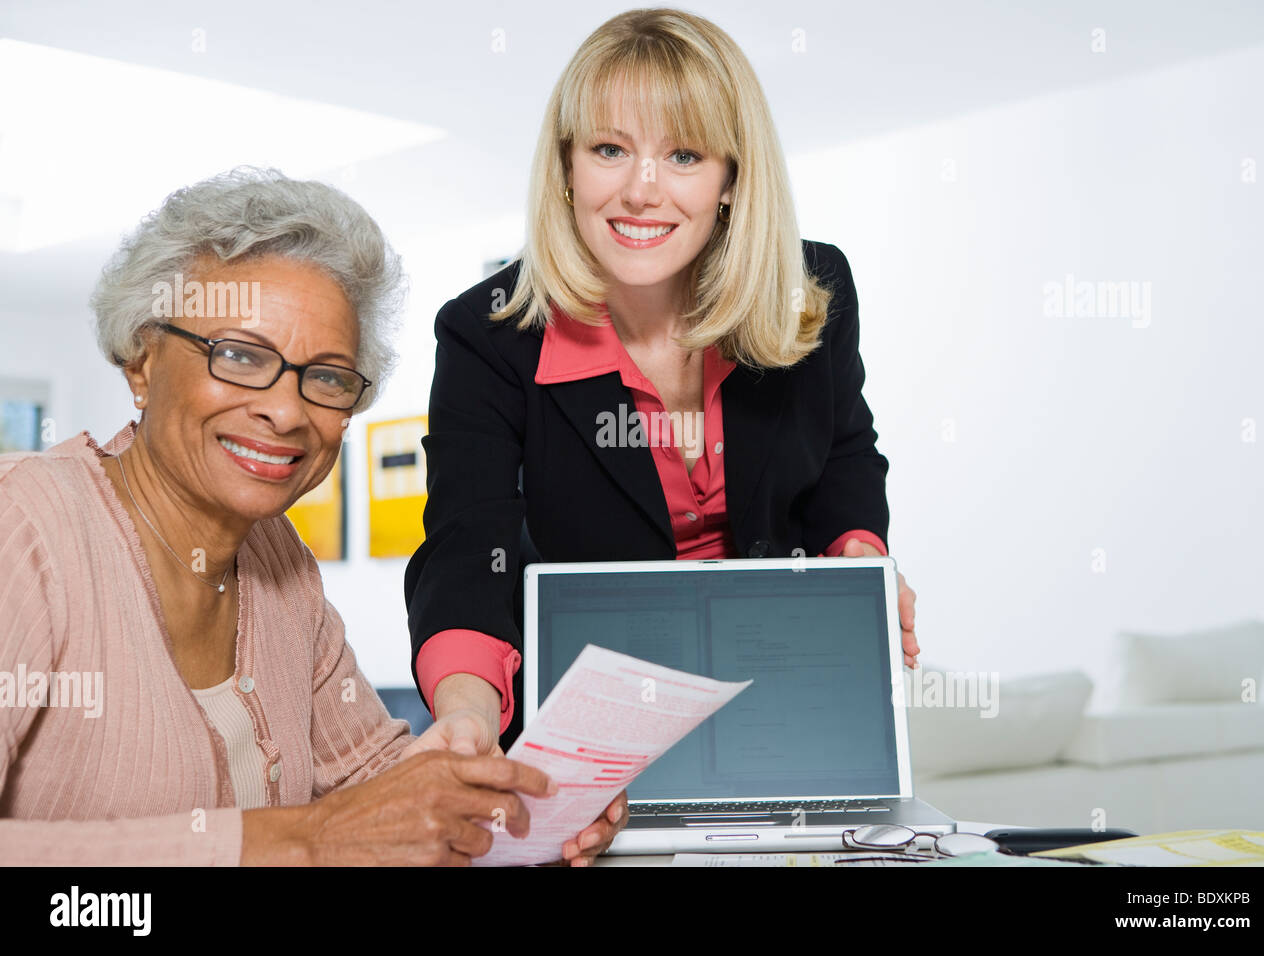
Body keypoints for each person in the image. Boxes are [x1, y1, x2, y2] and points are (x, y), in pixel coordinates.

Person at [404, 8, 920, 864]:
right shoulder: (489, 332)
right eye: (609, 149)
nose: (642, 189)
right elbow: (468, 543)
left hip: (784, 712)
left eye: (683, 154)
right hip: (593, 750)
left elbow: (843, 455)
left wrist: (859, 555)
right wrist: (462, 719)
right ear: (567, 168)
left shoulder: (813, 286)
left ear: (730, 177)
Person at [0, 167, 578, 866]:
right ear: (141, 361)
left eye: (328, 376)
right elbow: (331, 835)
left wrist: (536, 803)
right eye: (240, 356)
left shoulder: (278, 562)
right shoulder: (24, 529)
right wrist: (304, 841)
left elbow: (376, 780)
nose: (285, 410)